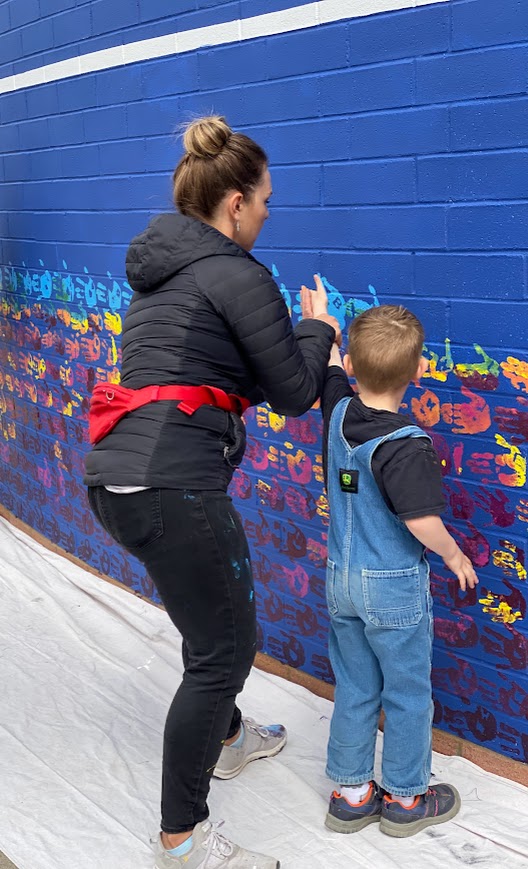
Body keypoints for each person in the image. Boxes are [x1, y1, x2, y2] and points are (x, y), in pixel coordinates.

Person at [84, 115, 340, 869]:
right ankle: (182, 838)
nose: (267, 213)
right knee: (225, 649)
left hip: (119, 481)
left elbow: (247, 379)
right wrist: (318, 328)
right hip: (175, 484)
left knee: (206, 629)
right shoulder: (238, 272)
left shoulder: (168, 273)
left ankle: (228, 738)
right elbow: (292, 391)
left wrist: (291, 349)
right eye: (264, 201)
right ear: (233, 203)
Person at [317, 304, 478, 838]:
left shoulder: (337, 412)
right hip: (391, 587)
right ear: (416, 372)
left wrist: (328, 330)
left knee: (355, 683)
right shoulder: (405, 444)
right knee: (407, 691)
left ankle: (352, 792)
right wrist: (454, 556)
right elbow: (422, 521)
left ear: (356, 368)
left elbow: (332, 372)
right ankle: (407, 799)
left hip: (341, 579)